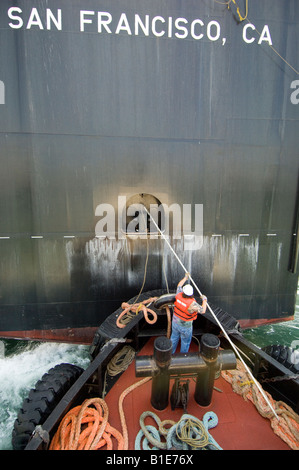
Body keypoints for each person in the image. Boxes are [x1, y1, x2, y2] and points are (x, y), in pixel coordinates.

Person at [170, 272, 207, 354]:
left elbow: (179, 285)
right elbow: (203, 310)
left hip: (175, 322)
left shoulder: (178, 294)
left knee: (174, 337)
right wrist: (204, 300)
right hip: (185, 326)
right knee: (185, 341)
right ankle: (183, 356)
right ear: (191, 294)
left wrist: (185, 278)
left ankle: (170, 354)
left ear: (183, 292)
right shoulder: (192, 304)